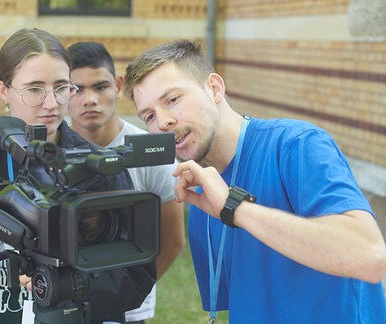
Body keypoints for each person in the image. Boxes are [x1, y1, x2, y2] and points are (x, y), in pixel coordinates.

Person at [123, 39, 386, 323]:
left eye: (172, 100)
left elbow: (369, 257)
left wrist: (234, 208)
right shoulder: (201, 193)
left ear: (214, 88)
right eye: (149, 116)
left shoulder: (296, 145)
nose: (162, 122)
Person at [0, 28, 156, 324]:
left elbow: (137, 274)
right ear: (3, 91)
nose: (51, 103)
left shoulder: (99, 167)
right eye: (34, 89)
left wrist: (74, 287)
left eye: (61, 87)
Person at [67, 41, 185, 323]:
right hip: (63, 308)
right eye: (76, 89)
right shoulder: (48, 151)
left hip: (128, 312)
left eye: (100, 86)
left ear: (119, 85)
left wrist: (128, 290)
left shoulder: (151, 152)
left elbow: (172, 241)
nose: (90, 99)